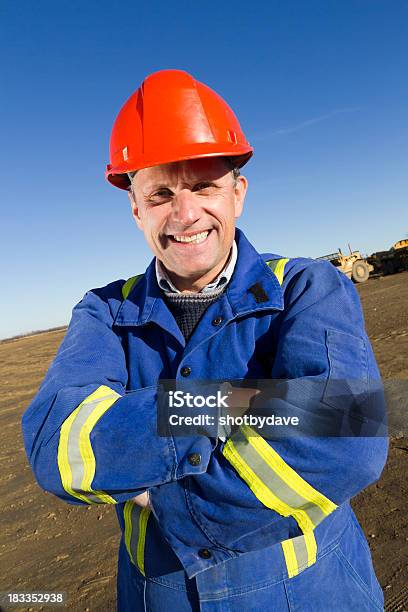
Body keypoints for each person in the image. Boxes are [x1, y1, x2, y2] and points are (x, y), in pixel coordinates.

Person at [22, 69, 388, 611]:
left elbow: (351, 431)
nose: (185, 213)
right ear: (136, 208)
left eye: (204, 186)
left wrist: (166, 495)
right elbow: (57, 445)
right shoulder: (104, 311)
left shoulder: (306, 286)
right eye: (161, 192)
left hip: (307, 595)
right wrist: (244, 409)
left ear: (238, 194)